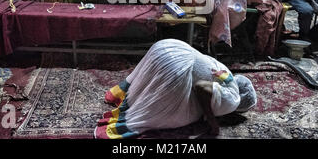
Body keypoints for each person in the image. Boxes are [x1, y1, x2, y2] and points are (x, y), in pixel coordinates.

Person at [94, 39, 257, 139]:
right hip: (175, 68)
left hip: (169, 47)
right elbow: (202, 88)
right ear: (240, 108)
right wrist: (212, 121)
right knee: (178, 115)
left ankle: (119, 94)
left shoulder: (226, 72)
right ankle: (120, 126)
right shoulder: (233, 100)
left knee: (149, 80)